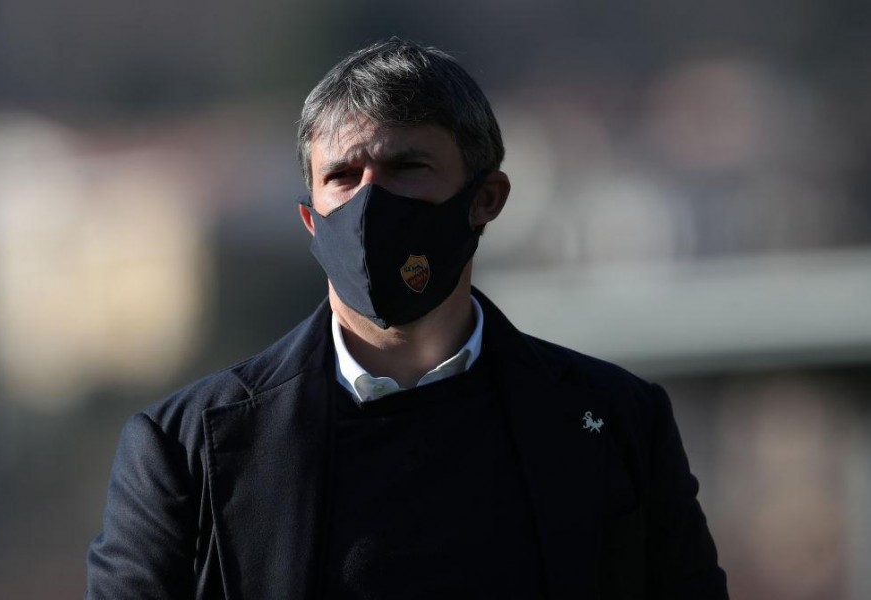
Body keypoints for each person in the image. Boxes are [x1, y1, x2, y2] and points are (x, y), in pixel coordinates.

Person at [86, 38, 728, 599]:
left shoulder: (619, 426)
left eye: (406, 168)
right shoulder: (182, 450)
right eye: (342, 176)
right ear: (310, 221)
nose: (371, 203)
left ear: (486, 200)